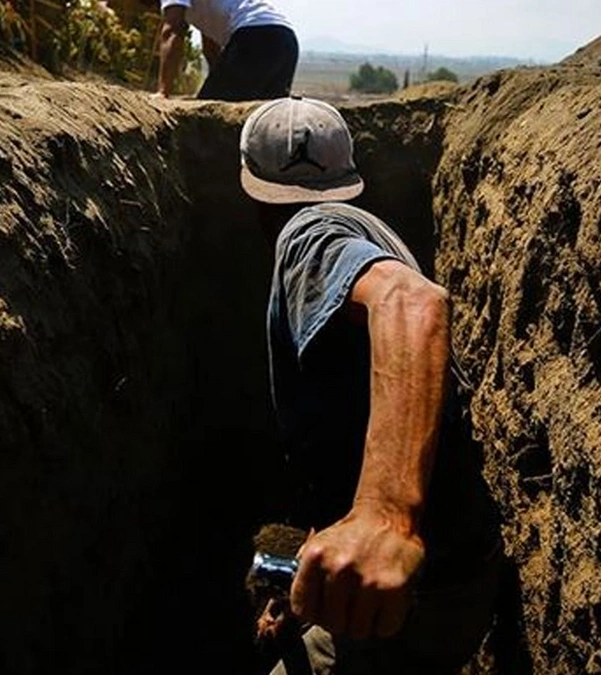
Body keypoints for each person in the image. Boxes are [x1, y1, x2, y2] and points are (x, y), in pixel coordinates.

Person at [239, 95, 505, 674]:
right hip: (452, 575)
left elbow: (413, 302)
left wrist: (384, 516)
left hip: (410, 594)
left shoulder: (308, 234)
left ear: (253, 189)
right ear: (348, 176)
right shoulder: (366, 229)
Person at [142, 0, 298, 101]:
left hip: (255, 37)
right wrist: (216, 82)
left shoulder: (176, 6)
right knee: (265, 121)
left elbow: (172, 30)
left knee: (204, 123)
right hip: (285, 39)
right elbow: (210, 46)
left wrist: (163, 92)